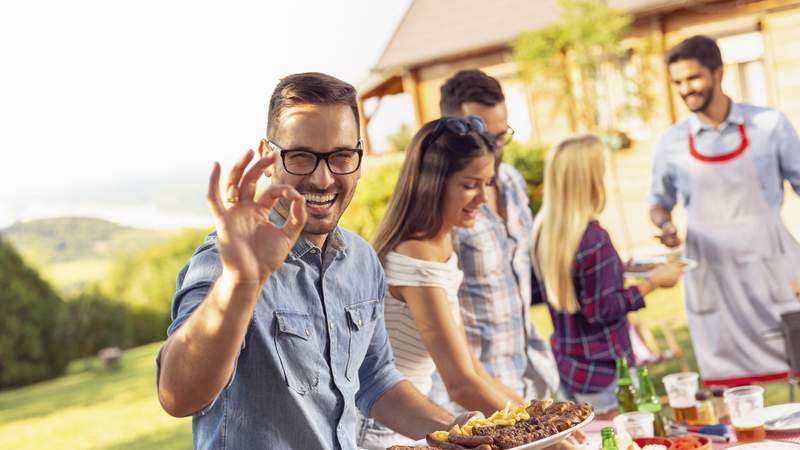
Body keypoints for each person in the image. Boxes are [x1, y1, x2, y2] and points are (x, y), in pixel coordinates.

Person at [156, 72, 467, 450]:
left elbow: (375, 379)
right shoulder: (223, 263)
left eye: (340, 157)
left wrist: (453, 430)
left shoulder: (362, 260)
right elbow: (177, 396)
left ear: (358, 156)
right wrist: (240, 283)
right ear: (269, 156)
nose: (323, 179)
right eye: (301, 156)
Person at [354, 116, 515, 447]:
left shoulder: (439, 244)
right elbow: (460, 383)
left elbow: (471, 365)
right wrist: (541, 432)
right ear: (434, 183)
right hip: (381, 429)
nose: (483, 198)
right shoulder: (415, 256)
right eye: (470, 184)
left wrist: (541, 417)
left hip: (410, 418)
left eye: (487, 183)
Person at [649, 35, 800, 384]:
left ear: (719, 72)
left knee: (791, 371)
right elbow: (658, 203)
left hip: (771, 272)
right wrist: (664, 225)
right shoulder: (669, 143)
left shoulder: (769, 125)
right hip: (712, 275)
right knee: (726, 393)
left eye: (693, 78)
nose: (686, 89)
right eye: (678, 82)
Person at [433, 69, 559, 404]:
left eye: (503, 135)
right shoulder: (440, 205)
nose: (497, 148)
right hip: (476, 395)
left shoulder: (513, 182)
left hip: (530, 377)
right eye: (488, 137)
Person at [532, 134, 682, 416]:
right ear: (589, 181)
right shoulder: (593, 238)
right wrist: (653, 283)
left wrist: (619, 269)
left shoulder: (546, 232)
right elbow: (601, 309)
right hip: (606, 374)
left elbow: (576, 285)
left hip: (571, 369)